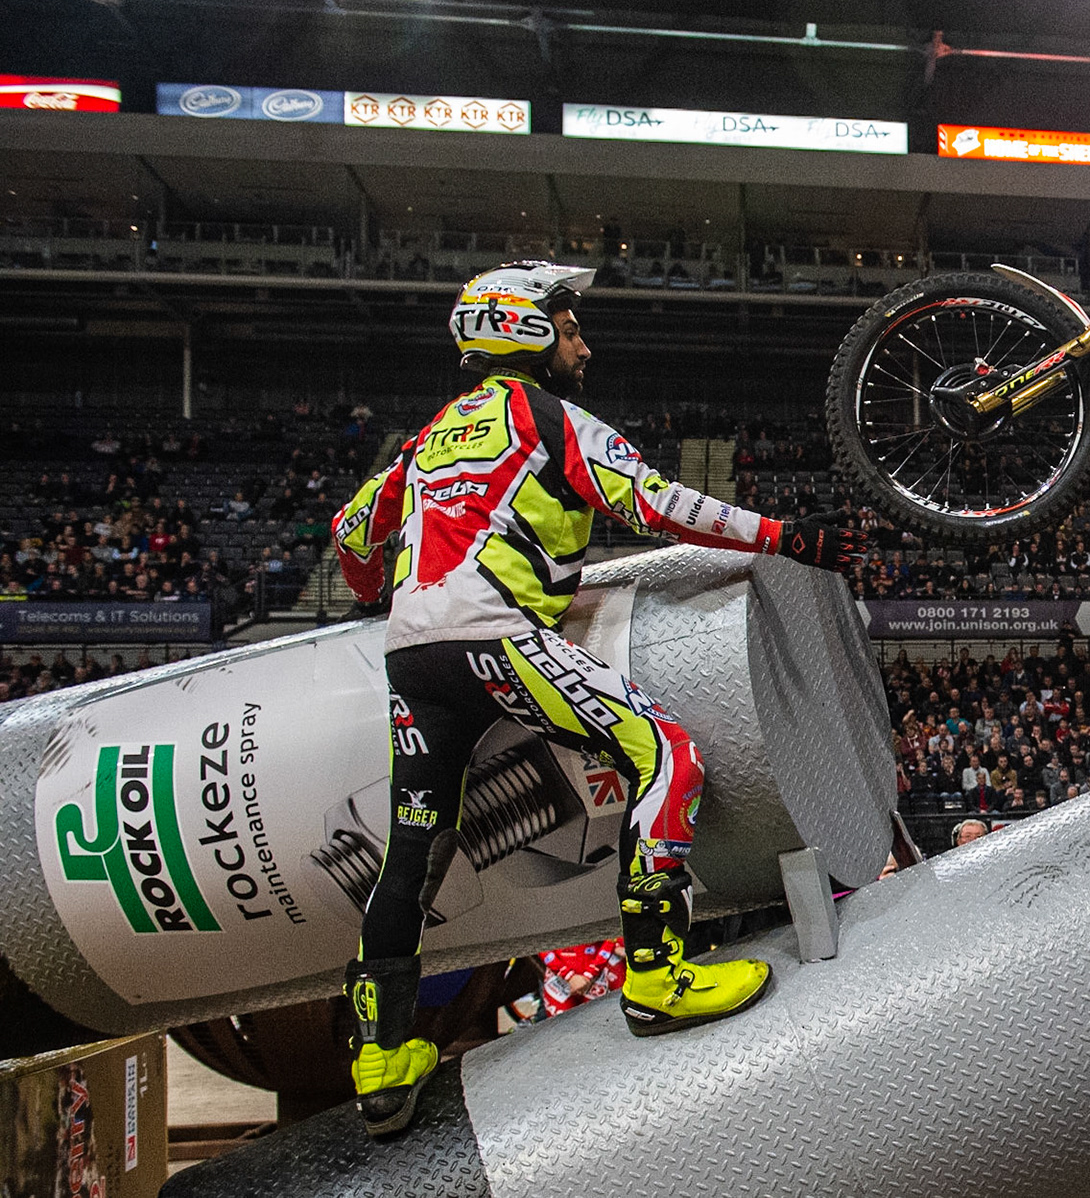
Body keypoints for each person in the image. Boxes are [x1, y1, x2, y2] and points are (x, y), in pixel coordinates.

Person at [331, 261, 865, 1137]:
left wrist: (372, 582)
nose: (585, 341)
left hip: (412, 654)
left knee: (412, 854)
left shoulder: (426, 439)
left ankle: (382, 1062)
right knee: (668, 754)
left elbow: (354, 535)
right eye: (570, 325)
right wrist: (785, 536)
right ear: (528, 333)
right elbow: (654, 503)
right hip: (494, 634)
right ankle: (656, 975)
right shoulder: (548, 418)